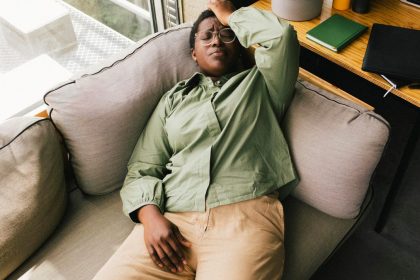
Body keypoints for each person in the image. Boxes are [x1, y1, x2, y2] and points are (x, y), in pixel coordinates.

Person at [93, 0, 299, 279]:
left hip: (244, 220)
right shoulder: (173, 100)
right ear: (194, 54)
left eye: (226, 34)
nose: (216, 40)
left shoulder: (263, 83)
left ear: (239, 47)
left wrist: (228, 14)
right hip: (171, 220)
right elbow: (142, 167)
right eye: (207, 36)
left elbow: (281, 37)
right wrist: (149, 216)